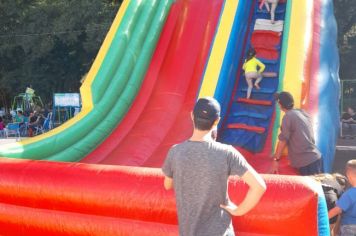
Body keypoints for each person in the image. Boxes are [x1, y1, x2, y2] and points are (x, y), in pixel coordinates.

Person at [162, 97, 266, 236]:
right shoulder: (227, 153)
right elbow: (259, 186)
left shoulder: (175, 151)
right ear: (217, 121)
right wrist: (238, 211)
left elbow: (168, 185)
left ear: (192, 115)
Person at [270, 91, 322, 175]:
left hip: (306, 162)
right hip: (316, 157)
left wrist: (276, 160)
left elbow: (283, 140)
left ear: (280, 104)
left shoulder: (288, 117)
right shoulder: (302, 112)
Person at [328, 160, 356, 236]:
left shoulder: (349, 194)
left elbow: (338, 210)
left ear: (348, 176)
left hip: (349, 227)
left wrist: (324, 217)